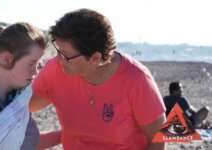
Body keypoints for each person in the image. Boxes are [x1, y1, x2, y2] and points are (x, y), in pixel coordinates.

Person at [30, 8, 166, 150]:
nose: (58, 59)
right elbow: (22, 108)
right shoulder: (56, 69)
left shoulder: (137, 78)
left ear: (95, 58)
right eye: (58, 50)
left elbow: (159, 141)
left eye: (65, 55)